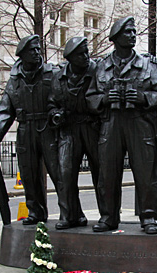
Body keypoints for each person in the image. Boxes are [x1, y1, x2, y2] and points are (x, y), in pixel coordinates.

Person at [86, 16, 157, 235]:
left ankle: (149, 216)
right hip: (111, 123)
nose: (132, 36)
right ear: (115, 37)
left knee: (146, 172)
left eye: (133, 32)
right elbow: (90, 96)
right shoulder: (102, 67)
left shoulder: (148, 65)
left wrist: (142, 98)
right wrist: (104, 99)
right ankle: (108, 217)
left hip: (139, 123)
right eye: (128, 32)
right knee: (108, 173)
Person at [0, 35, 68, 225]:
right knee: (29, 175)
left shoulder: (52, 72)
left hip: (48, 128)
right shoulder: (14, 80)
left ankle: (68, 213)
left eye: (39, 49)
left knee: (59, 173)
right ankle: (35, 212)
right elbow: (6, 109)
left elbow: (64, 97)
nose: (38, 53)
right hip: (25, 130)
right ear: (22, 55)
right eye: (33, 50)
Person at [48, 37, 100, 230]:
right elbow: (52, 104)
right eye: (81, 54)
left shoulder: (96, 70)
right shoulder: (59, 77)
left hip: (91, 127)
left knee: (101, 173)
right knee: (65, 172)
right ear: (70, 58)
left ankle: (107, 216)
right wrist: (56, 114)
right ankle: (69, 215)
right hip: (68, 129)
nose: (86, 56)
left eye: (86, 52)